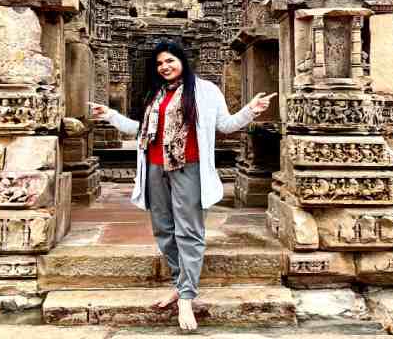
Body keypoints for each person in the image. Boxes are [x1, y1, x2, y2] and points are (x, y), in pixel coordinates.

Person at [89, 40, 275, 331]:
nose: (165, 67)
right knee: (163, 229)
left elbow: (225, 125)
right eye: (160, 63)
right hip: (154, 167)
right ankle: (180, 283)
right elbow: (143, 130)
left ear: (182, 61)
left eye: (170, 61)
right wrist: (110, 115)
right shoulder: (156, 94)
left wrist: (252, 110)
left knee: (189, 231)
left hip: (188, 167)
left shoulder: (205, 91)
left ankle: (186, 296)